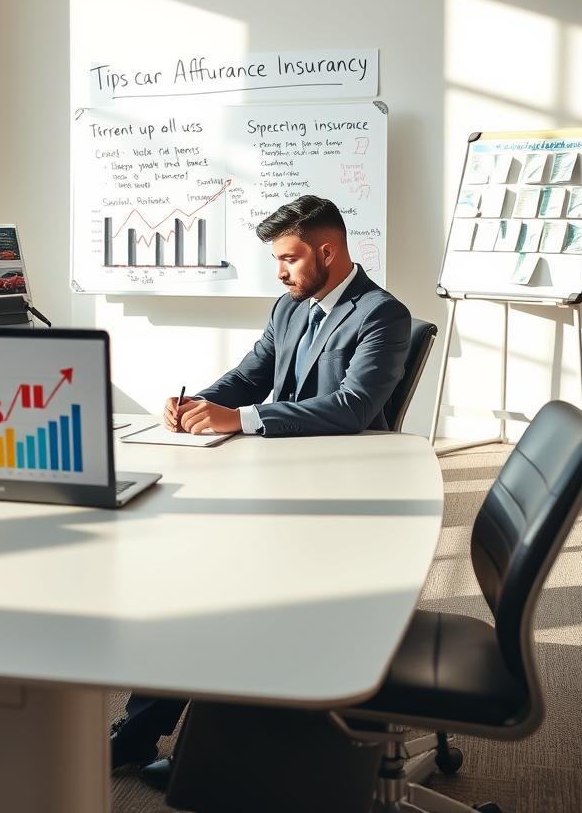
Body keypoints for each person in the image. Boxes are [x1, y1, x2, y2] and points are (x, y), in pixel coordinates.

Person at [110, 194, 412, 793]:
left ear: (328, 251)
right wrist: (198, 402)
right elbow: (251, 374)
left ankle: (203, 747)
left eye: (289, 258)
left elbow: (353, 409)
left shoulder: (383, 315)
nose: (280, 271)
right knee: (192, 581)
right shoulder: (290, 306)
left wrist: (239, 420)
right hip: (277, 473)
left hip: (339, 495)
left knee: (210, 591)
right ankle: (141, 734)